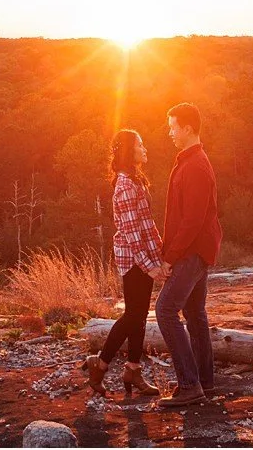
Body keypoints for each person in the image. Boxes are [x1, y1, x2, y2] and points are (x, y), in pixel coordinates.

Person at [81, 129, 164, 396]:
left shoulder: (136, 181)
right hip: (133, 260)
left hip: (145, 257)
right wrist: (148, 264)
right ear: (130, 151)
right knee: (132, 316)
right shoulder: (125, 186)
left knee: (139, 318)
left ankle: (132, 369)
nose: (144, 147)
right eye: (140, 144)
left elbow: (147, 225)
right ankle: (101, 365)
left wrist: (160, 255)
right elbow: (131, 233)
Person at [155, 102, 222, 407]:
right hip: (196, 250)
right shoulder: (190, 161)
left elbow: (192, 220)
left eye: (172, 127)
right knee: (195, 314)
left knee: (166, 310)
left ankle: (190, 385)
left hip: (192, 252)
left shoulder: (195, 165)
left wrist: (170, 258)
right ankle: (205, 382)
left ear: (188, 128)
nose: (169, 132)